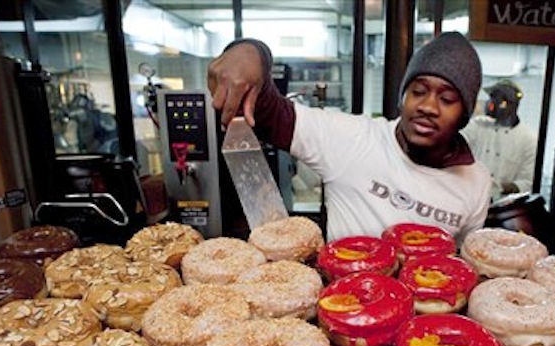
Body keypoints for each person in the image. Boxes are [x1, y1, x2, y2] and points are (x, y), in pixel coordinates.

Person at [207, 32, 491, 243]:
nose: (428, 107)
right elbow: (270, 113)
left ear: (463, 113)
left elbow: (464, 265)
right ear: (402, 97)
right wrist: (251, 52)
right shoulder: (351, 139)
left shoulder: (475, 182)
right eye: (418, 91)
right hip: (342, 309)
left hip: (423, 321)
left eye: (447, 98)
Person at [462, 79, 537, 200]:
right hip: (467, 197)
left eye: (495, 98)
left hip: (500, 207)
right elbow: (457, 147)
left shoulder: (528, 140)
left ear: (509, 104)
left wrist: (497, 187)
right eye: (491, 98)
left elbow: (527, 183)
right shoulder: (478, 125)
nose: (490, 103)